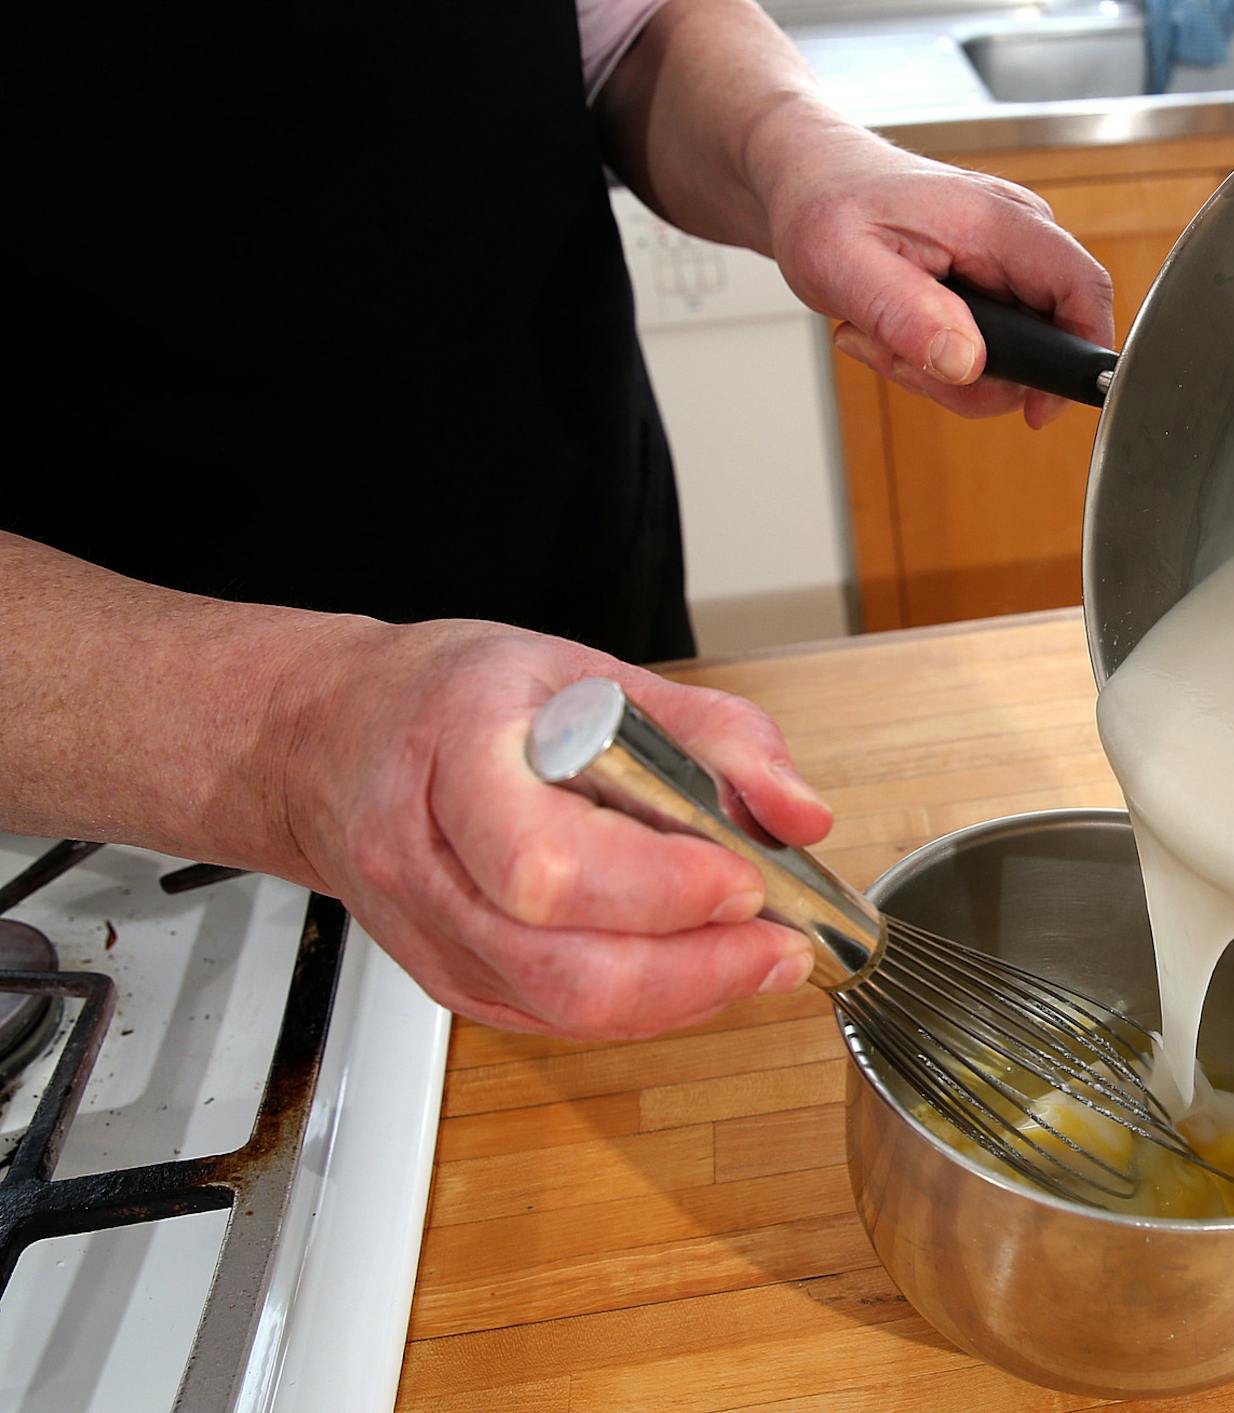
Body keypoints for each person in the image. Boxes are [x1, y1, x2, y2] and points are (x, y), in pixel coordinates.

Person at [0, 0, 1113, 1039]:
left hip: (573, 582)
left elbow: (623, 30)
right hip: (118, 790)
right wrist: (290, 735)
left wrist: (795, 149)